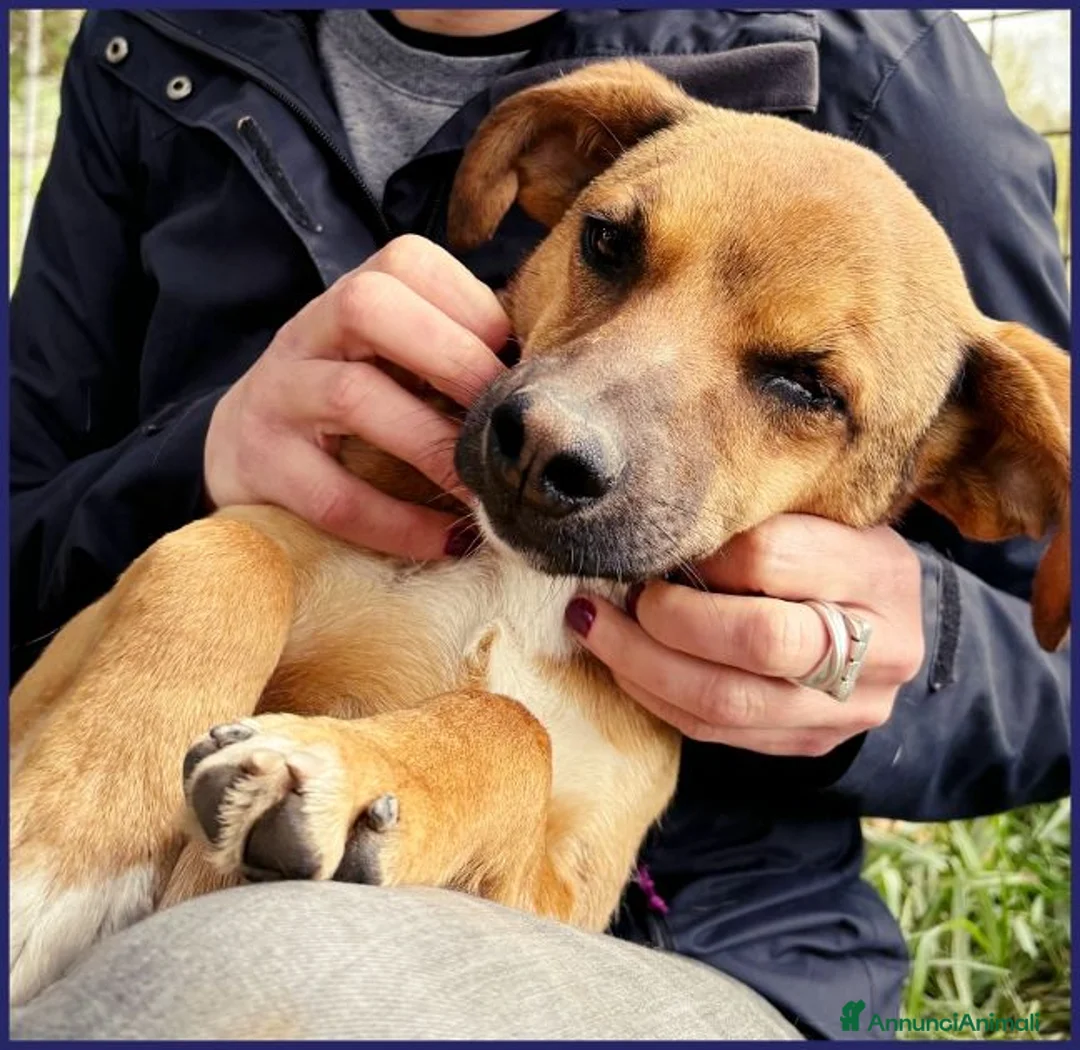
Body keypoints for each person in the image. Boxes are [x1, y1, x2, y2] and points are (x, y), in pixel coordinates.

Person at [9, 8, 1070, 1040]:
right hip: (163, 738)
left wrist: (918, 646)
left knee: (244, 976)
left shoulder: (904, 74)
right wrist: (189, 465)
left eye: (798, 383)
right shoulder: (146, 41)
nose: (570, 420)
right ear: (548, 174)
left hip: (712, 947)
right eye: (610, 247)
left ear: (971, 465)